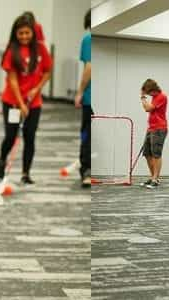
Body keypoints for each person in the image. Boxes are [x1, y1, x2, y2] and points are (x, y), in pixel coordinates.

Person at [0, 14, 53, 187]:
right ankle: (2, 158)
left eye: (27, 33)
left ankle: (26, 173)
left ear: (32, 33)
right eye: (20, 33)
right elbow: (12, 80)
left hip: (34, 103)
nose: (24, 37)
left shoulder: (41, 49)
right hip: (12, 102)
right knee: (11, 136)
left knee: (30, 136)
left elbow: (47, 71)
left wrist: (37, 89)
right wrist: (21, 104)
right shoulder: (12, 50)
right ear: (15, 33)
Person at [140, 79, 168, 189]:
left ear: (153, 90)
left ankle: (155, 179)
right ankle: (152, 177)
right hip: (151, 128)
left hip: (159, 129)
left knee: (156, 154)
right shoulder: (154, 97)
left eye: (148, 92)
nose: (148, 95)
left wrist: (142, 98)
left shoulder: (161, 96)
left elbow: (147, 109)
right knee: (147, 153)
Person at [76, 9, 92, 188]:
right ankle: (88, 170)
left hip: (90, 99)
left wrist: (79, 92)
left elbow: (89, 67)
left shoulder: (88, 39)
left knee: (87, 135)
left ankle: (86, 171)